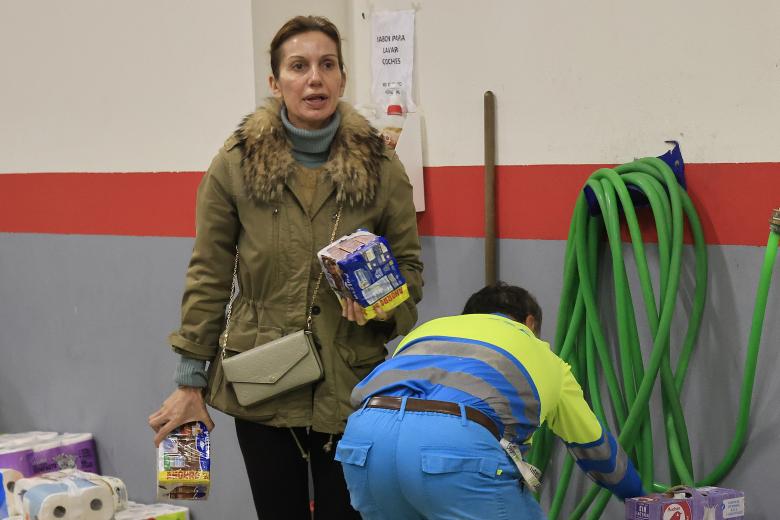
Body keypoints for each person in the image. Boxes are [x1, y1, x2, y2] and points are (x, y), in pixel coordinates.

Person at [148, 15, 423, 520]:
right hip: (265, 378)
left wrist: (381, 306)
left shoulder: (383, 169)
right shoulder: (235, 163)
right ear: (276, 83)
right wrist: (190, 377)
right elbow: (209, 272)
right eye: (298, 66)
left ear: (342, 80)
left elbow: (409, 271)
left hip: (352, 381)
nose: (314, 78)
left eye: (327, 65)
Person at [335, 282, 644, 520]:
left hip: (365, 441)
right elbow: (595, 449)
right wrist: (638, 496)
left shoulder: (427, 330)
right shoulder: (543, 356)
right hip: (452, 446)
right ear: (530, 322)